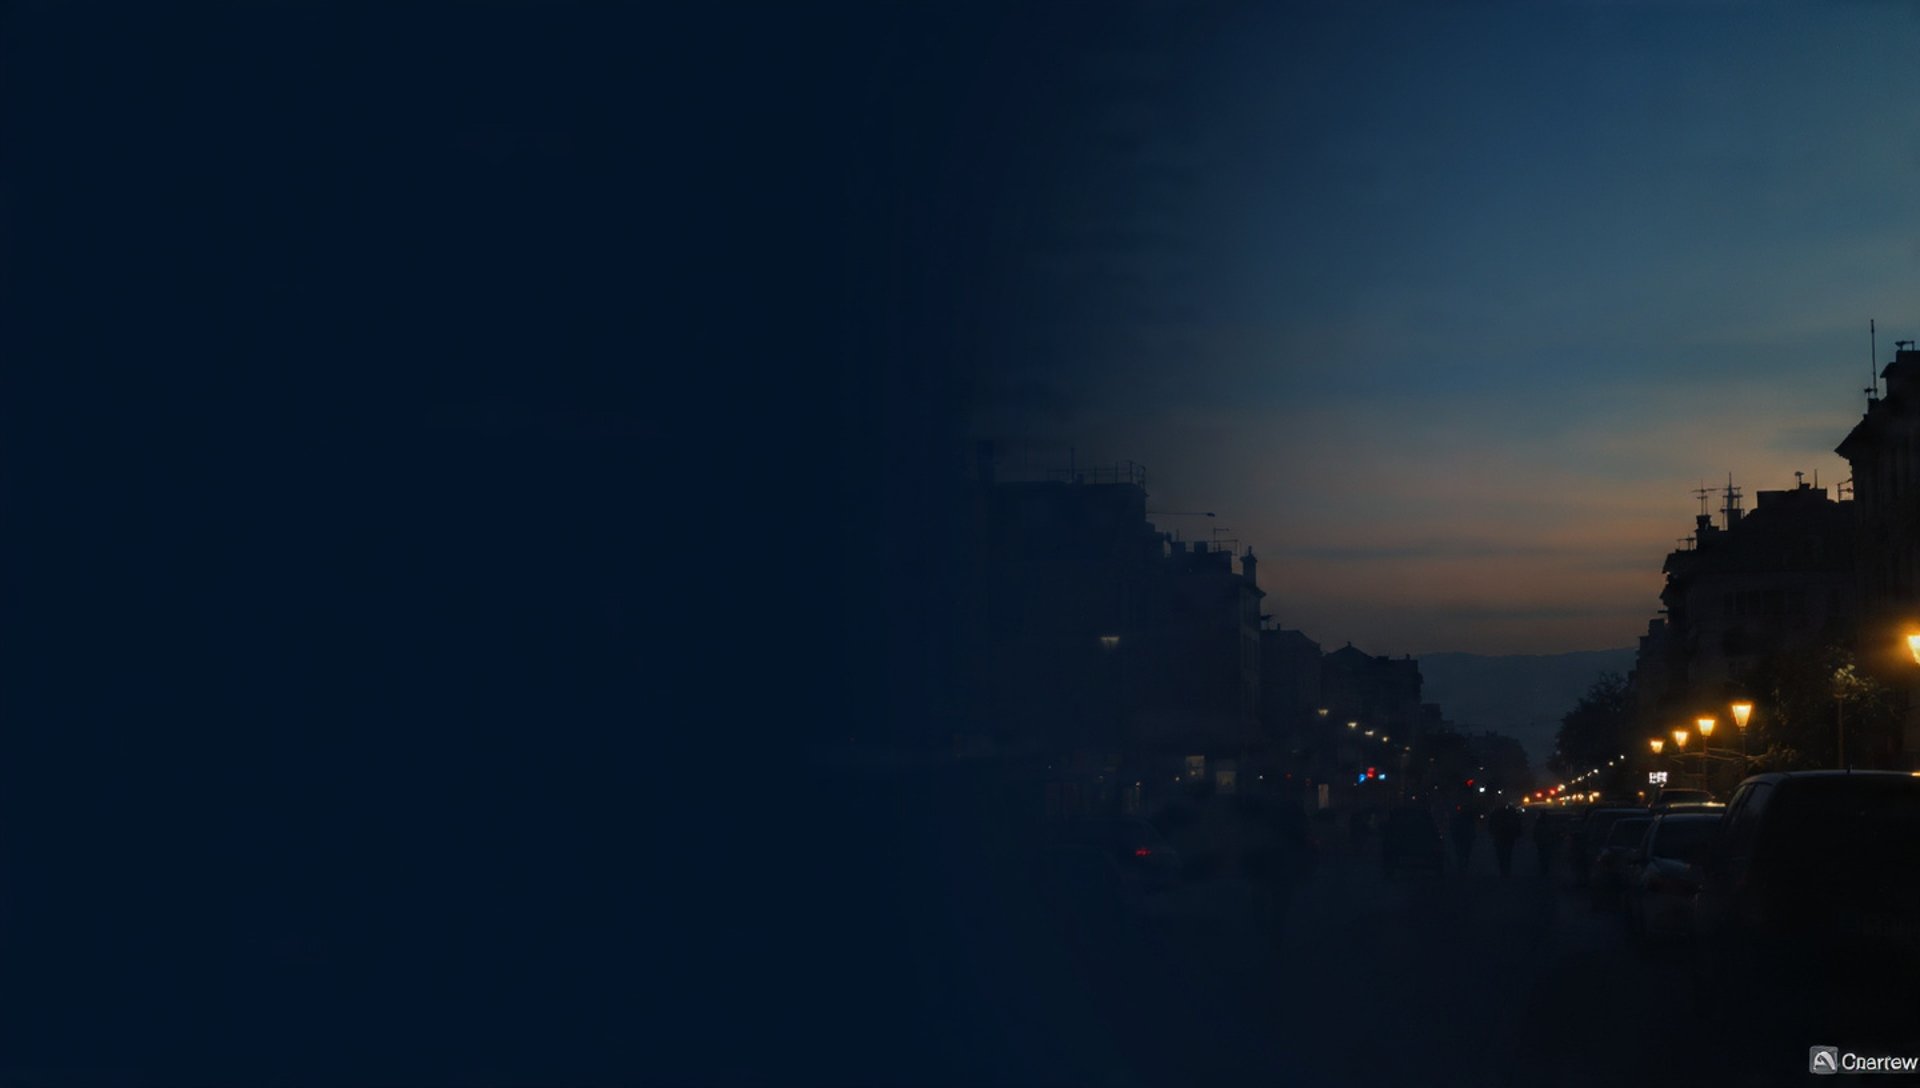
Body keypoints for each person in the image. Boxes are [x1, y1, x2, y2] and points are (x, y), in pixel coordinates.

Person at [1488, 804, 1522, 877]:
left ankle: (1503, 869)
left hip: (1500, 837)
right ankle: (1506, 870)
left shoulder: (1496, 815)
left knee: (1501, 854)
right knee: (1507, 854)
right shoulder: (1511, 815)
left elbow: (1491, 825)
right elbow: (1517, 825)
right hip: (1508, 837)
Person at [1449, 805, 1478, 872]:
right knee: (1464, 853)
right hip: (1464, 839)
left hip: (1462, 839)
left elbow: (1453, 828)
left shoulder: (1459, 819)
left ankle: (1462, 866)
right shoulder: (1467, 820)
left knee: (1462, 853)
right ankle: (1463, 866)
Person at [1532, 811, 1559, 877]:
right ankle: (1545, 869)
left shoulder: (1540, 823)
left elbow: (1535, 832)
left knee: (1543, 856)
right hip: (1545, 842)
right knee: (1545, 855)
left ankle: (1543, 869)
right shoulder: (1547, 823)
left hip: (1542, 842)